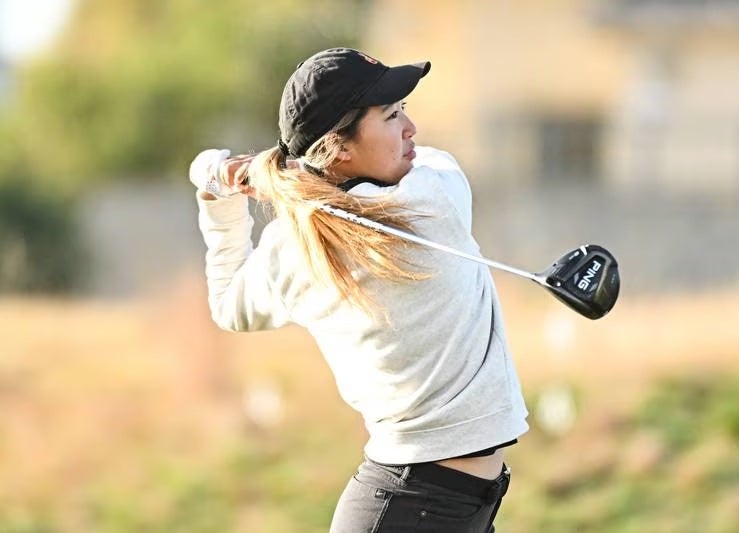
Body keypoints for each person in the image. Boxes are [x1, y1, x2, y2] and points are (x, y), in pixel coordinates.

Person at [189, 47, 529, 532]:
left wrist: (218, 197)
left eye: (404, 111)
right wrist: (283, 182)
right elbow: (430, 163)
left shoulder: (294, 243)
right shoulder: (435, 198)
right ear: (339, 146)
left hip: (441, 506)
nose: (410, 129)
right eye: (391, 116)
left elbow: (230, 307)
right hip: (411, 508)